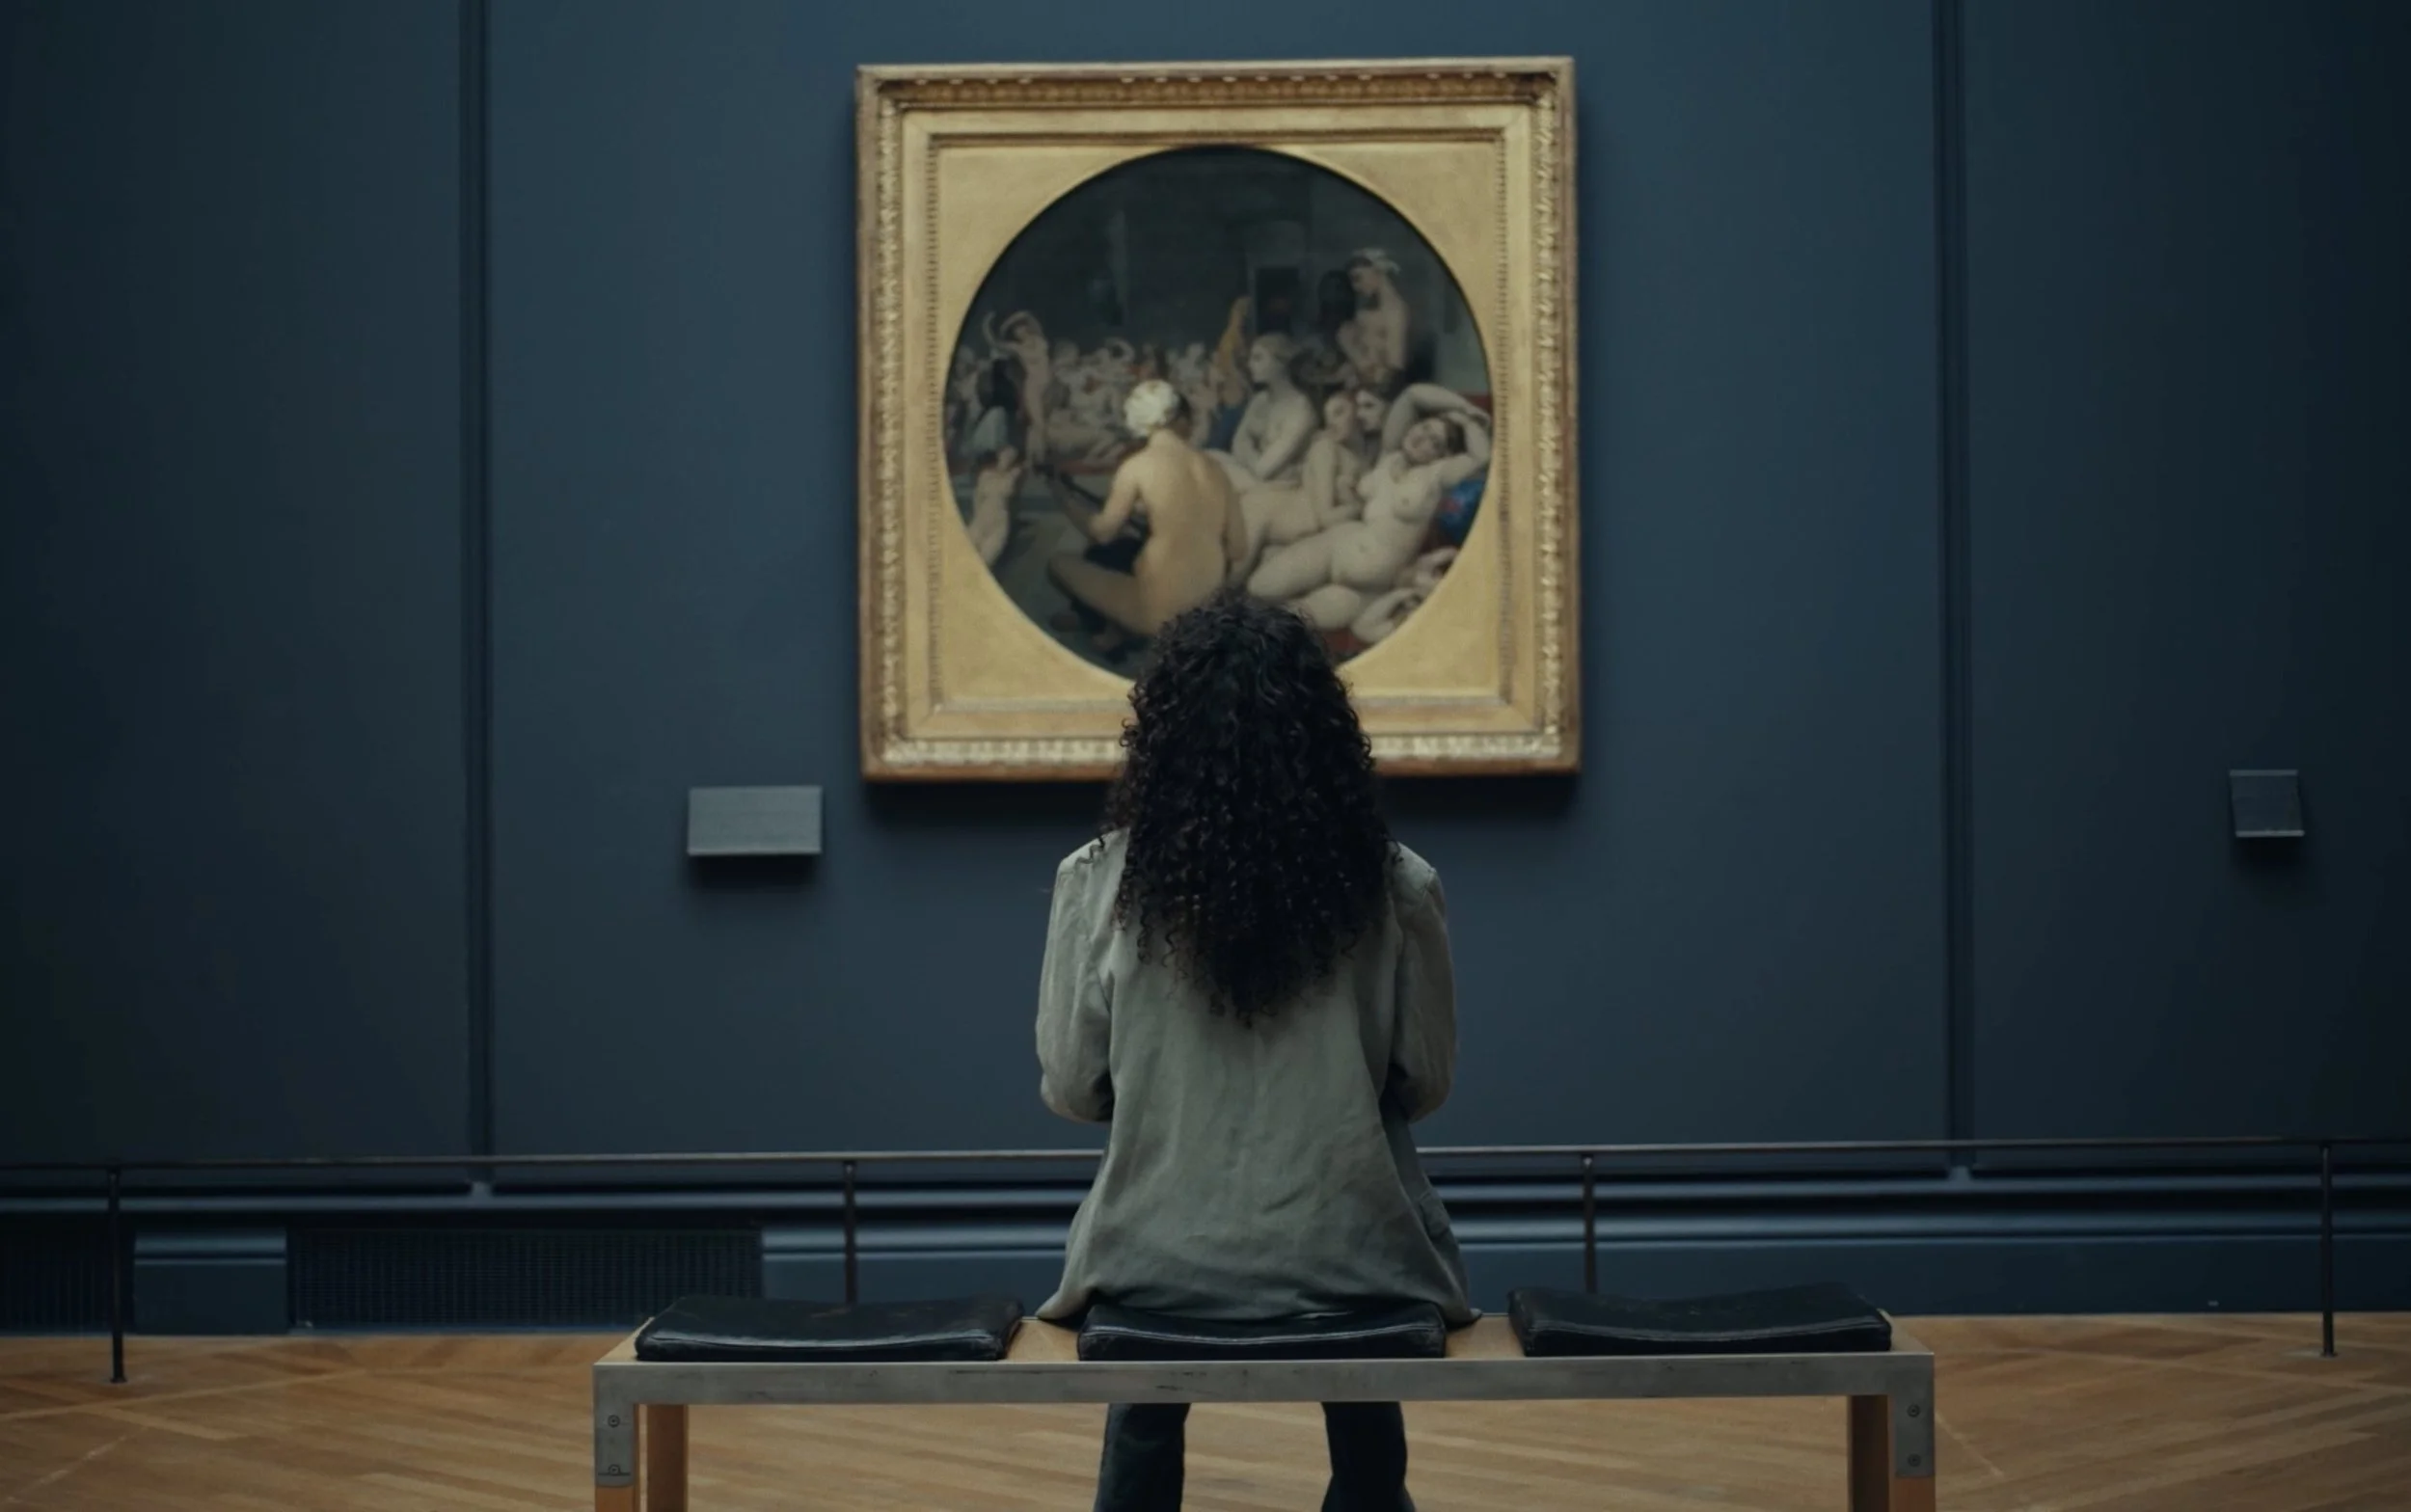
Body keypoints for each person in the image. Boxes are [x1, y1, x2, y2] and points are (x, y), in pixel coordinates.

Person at [1033, 588, 1472, 1511]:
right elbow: (1422, 1083)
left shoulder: (1096, 884)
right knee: (1363, 1379)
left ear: (1163, 734)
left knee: (1146, 1402)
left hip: (1154, 1263)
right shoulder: (1397, 887)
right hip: (1358, 1264)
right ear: (1323, 734)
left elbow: (1075, 1088)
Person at [1045, 379, 1247, 657]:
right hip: (1206, 610)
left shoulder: (1138, 466)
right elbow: (1238, 547)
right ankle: (1113, 627)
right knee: (1132, 546)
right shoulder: (1215, 468)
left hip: (1160, 610)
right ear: (1180, 419)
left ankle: (1110, 632)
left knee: (1059, 564)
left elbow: (1101, 532)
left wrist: (1063, 499)